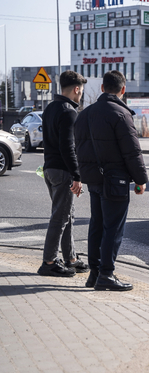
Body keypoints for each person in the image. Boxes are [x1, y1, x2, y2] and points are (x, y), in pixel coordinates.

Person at [74, 70, 148, 291]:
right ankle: (106, 274)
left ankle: (94, 273)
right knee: (112, 228)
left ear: (102, 88)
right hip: (115, 180)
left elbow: (79, 148)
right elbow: (132, 152)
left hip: (94, 179)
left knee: (96, 225)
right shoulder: (121, 114)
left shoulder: (85, 114)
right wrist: (141, 180)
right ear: (122, 90)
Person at [37, 70, 89, 277]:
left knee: (67, 215)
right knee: (60, 218)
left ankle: (71, 258)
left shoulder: (50, 108)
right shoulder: (68, 111)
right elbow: (68, 147)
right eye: (81, 90)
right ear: (76, 89)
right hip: (63, 172)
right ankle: (49, 262)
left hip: (49, 169)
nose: (81, 94)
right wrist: (77, 176)